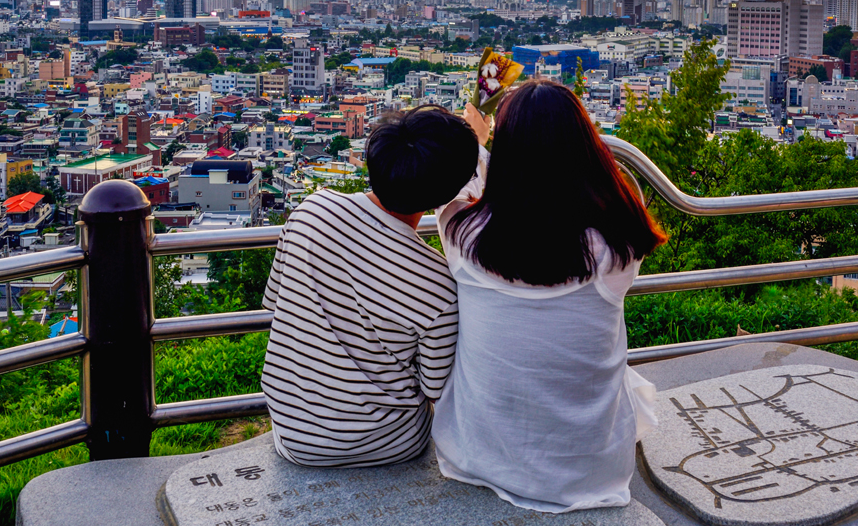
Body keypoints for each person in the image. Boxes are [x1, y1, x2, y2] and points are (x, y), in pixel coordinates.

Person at [433, 79, 667, 512]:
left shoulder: (460, 233)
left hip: (477, 453)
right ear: (585, 147)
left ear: (506, 156)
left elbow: (469, 194)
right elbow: (613, 201)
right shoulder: (616, 249)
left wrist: (482, 143)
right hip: (587, 469)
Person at [261, 104, 479, 467]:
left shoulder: (309, 213)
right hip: (389, 442)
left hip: (291, 433)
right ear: (444, 196)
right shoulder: (438, 283)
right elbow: (436, 387)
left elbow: (277, 304)